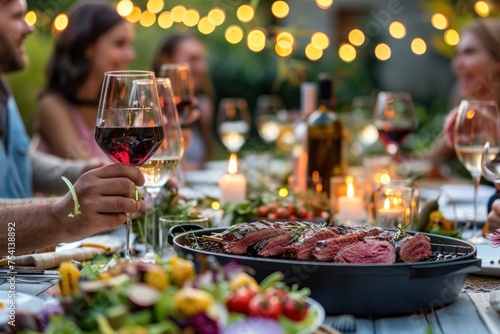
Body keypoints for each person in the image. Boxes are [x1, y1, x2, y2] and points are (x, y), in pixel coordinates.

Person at [0, 0, 143, 255]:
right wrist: (59, 214)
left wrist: (83, 170)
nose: (30, 28)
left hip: (22, 264)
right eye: (17, 16)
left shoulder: (3, 93)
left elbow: (19, 160)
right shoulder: (53, 105)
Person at [33, 0, 135, 160]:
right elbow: (90, 171)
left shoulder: (114, 105)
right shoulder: (52, 106)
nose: (130, 55)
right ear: (88, 47)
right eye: (119, 44)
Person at [427, 18, 500, 234]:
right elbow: (432, 158)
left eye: (469, 53)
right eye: (457, 54)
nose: (457, 65)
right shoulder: (473, 116)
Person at [152, 33, 215, 170]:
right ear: (165, 60)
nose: (200, 67)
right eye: (192, 59)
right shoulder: (147, 108)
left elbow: (200, 165)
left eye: (202, 60)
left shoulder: (202, 107)